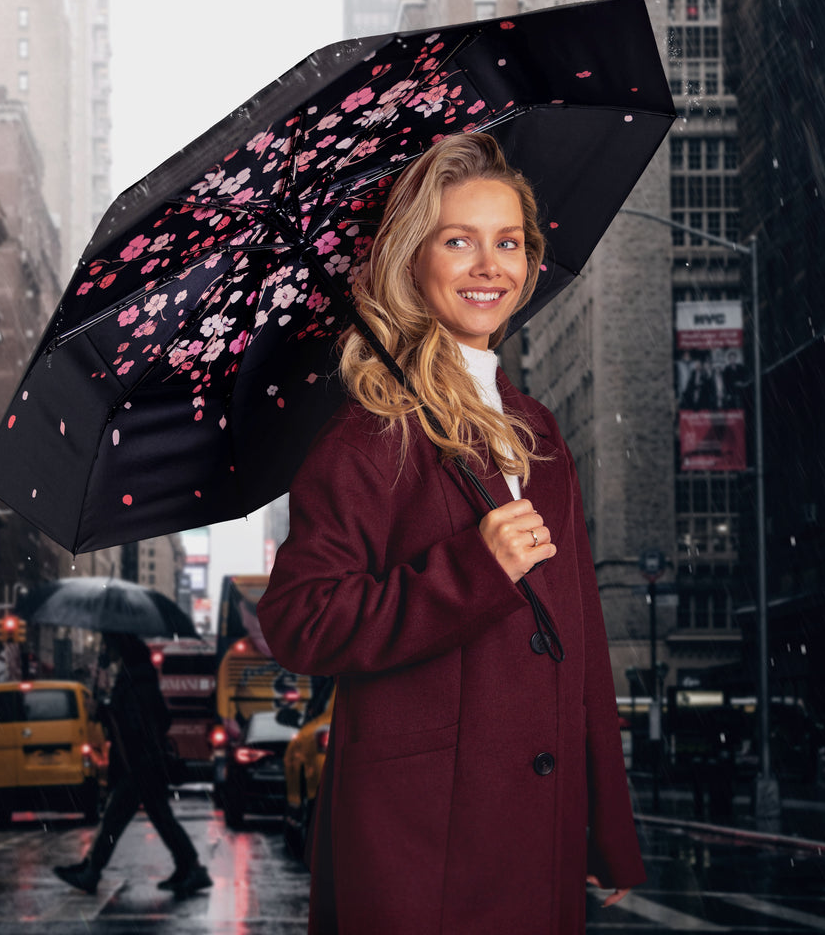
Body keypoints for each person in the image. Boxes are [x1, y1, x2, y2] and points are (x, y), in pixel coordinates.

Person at [257, 133, 646, 935]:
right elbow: (299, 620)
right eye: (458, 241)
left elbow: (581, 636)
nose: (487, 265)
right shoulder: (368, 434)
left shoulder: (537, 433)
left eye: (507, 243)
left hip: (532, 826)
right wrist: (470, 570)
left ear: (534, 265)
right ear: (413, 261)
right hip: (418, 837)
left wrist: (606, 822)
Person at [52, 632, 211, 898]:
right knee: (154, 819)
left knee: (117, 820)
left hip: (138, 765)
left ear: (121, 645)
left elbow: (133, 724)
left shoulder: (134, 679)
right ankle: (190, 868)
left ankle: (92, 872)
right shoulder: (139, 676)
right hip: (143, 764)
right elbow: (157, 718)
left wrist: (101, 711)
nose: (106, 650)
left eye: (109, 643)